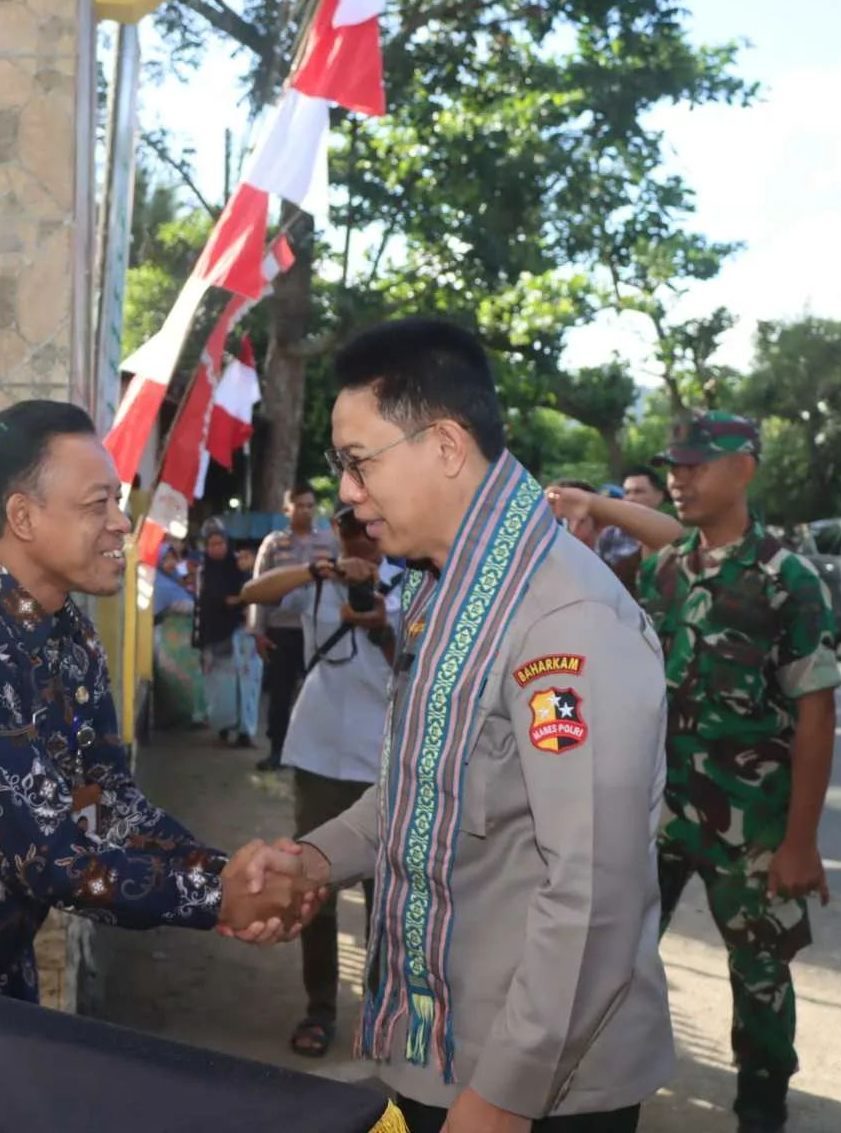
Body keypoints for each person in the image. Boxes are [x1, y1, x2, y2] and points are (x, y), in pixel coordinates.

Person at [238, 317, 674, 1133]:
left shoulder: (562, 620)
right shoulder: (450, 590)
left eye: (357, 463)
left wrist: (506, 1096)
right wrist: (315, 860)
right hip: (446, 1054)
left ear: (443, 445)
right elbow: (420, 787)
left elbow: (595, 894)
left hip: (532, 1084)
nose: (345, 492)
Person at [0, 399, 312, 1002]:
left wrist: (221, 872)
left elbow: (106, 803)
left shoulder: (70, 635)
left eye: (117, 500)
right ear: (23, 518)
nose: (121, 522)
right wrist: (221, 900)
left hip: (2, 976)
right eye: (96, 504)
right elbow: (49, 856)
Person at [640, 412, 841, 1133]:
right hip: (658, 810)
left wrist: (800, 842)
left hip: (751, 819)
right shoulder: (661, 568)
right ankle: (602, 1084)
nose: (679, 476)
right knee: (617, 952)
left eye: (697, 462)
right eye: (674, 463)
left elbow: (816, 715)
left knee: (758, 976)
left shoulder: (786, 580)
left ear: (743, 468)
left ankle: (761, 1106)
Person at [238, 505, 399, 1059]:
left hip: (386, 755)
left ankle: (384, 1012)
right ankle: (321, 1009)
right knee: (316, 889)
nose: (363, 540)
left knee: (388, 898)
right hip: (322, 753)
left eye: (372, 529)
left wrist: (380, 625)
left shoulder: (411, 583)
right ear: (338, 531)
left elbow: (422, 663)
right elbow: (255, 593)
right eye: (352, 529)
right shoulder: (319, 580)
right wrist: (320, 572)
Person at [249, 485, 340, 769]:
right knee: (280, 693)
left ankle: (314, 755)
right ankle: (278, 750)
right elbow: (258, 589)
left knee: (319, 693)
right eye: (299, 505)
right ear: (287, 510)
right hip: (281, 631)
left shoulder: (330, 542)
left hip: (320, 630)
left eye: (310, 505)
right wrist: (258, 632)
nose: (305, 510)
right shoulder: (273, 544)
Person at [546, 481, 684, 595]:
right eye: (557, 523)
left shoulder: (623, 565)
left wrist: (592, 504)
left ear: (598, 524)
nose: (567, 530)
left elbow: (674, 537)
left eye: (569, 520)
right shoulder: (541, 570)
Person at [193, 519, 253, 747]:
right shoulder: (205, 571)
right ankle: (226, 726)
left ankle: (245, 730)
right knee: (221, 686)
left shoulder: (236, 567)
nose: (217, 548)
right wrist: (241, 599)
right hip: (215, 634)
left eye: (221, 543)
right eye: (212, 544)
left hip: (239, 634)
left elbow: (247, 590)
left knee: (244, 684)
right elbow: (218, 600)